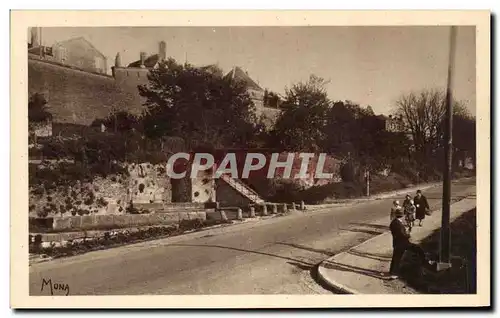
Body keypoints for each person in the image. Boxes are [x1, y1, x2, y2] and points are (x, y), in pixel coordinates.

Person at [388, 208, 434, 279]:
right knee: (417, 249)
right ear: (402, 215)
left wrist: (406, 231)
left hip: (397, 243)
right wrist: (408, 234)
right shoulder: (398, 223)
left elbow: (398, 232)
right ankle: (425, 262)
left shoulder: (393, 222)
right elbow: (402, 234)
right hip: (402, 243)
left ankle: (392, 272)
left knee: (396, 258)